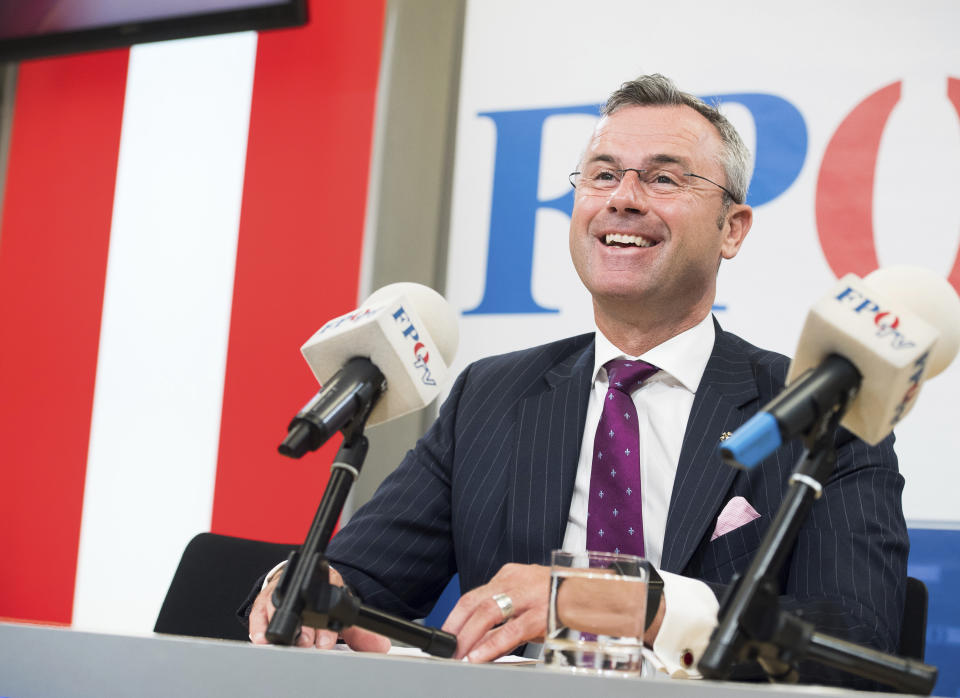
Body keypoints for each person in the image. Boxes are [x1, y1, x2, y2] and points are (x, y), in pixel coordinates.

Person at [245, 74, 908, 686]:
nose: (623, 199)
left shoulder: (819, 410)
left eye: (664, 179)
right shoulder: (492, 397)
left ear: (731, 229)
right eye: (602, 175)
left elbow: (858, 641)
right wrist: (303, 588)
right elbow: (359, 586)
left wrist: (626, 603)